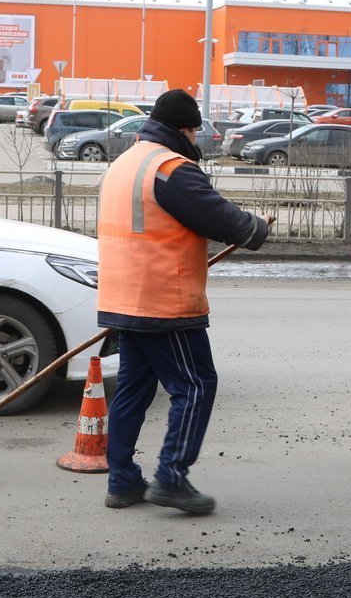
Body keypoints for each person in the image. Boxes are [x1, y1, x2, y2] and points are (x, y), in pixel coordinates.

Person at [97, 89, 269, 515]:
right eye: (195, 130)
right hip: (164, 299)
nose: (196, 139)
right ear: (186, 129)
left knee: (133, 389)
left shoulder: (126, 161)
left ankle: (121, 480)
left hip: (124, 295)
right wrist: (256, 228)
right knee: (196, 385)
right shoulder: (171, 168)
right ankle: (172, 477)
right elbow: (219, 217)